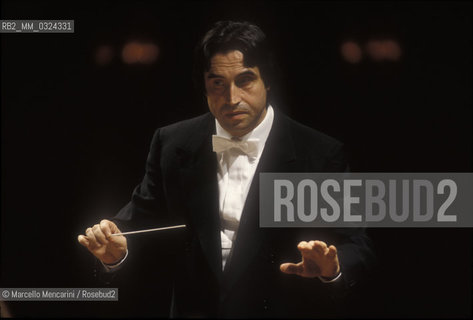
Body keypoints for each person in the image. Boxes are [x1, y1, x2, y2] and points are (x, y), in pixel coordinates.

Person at [78, 20, 375, 318]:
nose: (232, 99)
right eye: (218, 83)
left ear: (267, 81)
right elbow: (135, 225)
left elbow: (355, 244)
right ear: (204, 86)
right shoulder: (171, 143)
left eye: (245, 80)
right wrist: (115, 255)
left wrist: (332, 268)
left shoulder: (321, 154)